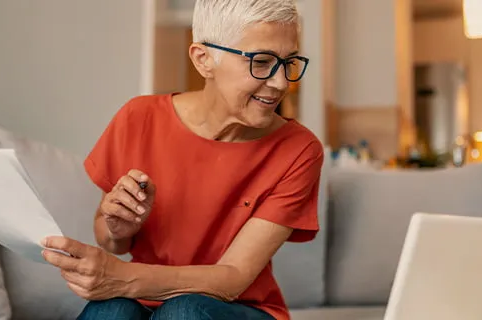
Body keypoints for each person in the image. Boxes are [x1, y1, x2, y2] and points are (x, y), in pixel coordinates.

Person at [40, 0, 323, 319]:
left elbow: (232, 278)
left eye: (289, 62)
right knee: (111, 309)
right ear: (204, 60)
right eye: (261, 61)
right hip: (146, 301)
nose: (282, 82)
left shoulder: (299, 149)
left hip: (244, 309)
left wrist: (121, 278)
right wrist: (119, 228)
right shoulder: (139, 118)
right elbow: (111, 240)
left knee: (183, 311)